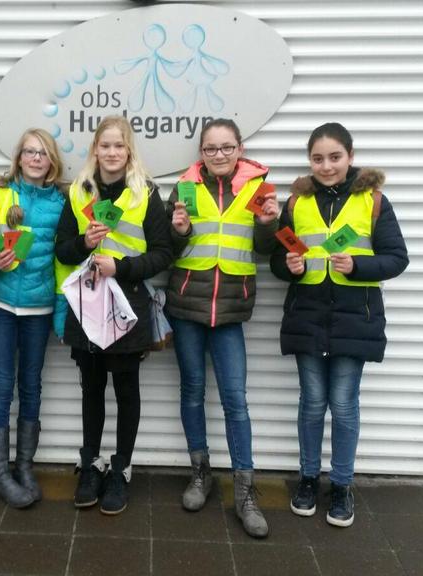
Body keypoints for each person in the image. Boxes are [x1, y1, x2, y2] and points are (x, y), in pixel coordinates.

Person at [270, 122, 408, 527]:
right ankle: (309, 479)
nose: (326, 166)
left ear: (350, 156)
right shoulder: (296, 203)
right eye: (318, 158)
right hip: (308, 315)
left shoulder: (374, 201)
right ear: (309, 161)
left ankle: (343, 485)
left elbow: (397, 258)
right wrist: (290, 266)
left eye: (334, 157)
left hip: (354, 319)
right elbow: (280, 260)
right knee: (312, 404)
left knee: (344, 405)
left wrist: (358, 265)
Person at [166, 118, 278, 538]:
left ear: (239, 147)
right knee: (192, 392)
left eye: (226, 147)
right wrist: (178, 233)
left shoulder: (258, 185)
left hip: (231, 308)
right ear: (201, 152)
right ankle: (201, 474)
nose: (218, 155)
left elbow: (265, 249)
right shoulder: (183, 187)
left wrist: (268, 224)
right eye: (210, 148)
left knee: (235, 399)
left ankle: (246, 492)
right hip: (186, 304)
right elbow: (169, 245)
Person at [55, 116, 172, 515]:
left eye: (118, 146)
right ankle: (90, 465)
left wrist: (120, 267)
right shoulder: (78, 192)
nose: (111, 153)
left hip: (127, 304)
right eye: (104, 146)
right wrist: (82, 243)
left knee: (125, 390)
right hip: (88, 305)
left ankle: (120, 469)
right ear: (94, 150)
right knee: (91, 388)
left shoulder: (146, 193)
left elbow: (162, 253)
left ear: (129, 151)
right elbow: (63, 250)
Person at [0, 128, 67, 508]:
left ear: (51, 161)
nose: (35, 158)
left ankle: (24, 466)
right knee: (2, 386)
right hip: (0, 305)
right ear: (19, 157)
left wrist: (61, 313)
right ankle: (0, 471)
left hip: (39, 307)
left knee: (31, 385)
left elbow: (64, 261)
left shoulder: (62, 204)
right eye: (29, 151)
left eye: (42, 153)